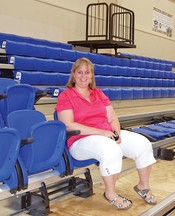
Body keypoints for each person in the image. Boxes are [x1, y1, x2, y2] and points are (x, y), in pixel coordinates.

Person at [55, 57, 157, 210]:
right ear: (73, 74)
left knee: (143, 144)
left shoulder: (98, 93)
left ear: (92, 75)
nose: (83, 76)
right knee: (111, 149)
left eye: (87, 73)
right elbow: (68, 125)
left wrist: (115, 131)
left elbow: (112, 117)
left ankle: (143, 186)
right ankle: (110, 194)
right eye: (80, 72)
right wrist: (102, 132)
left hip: (105, 134)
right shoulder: (66, 96)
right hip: (80, 140)